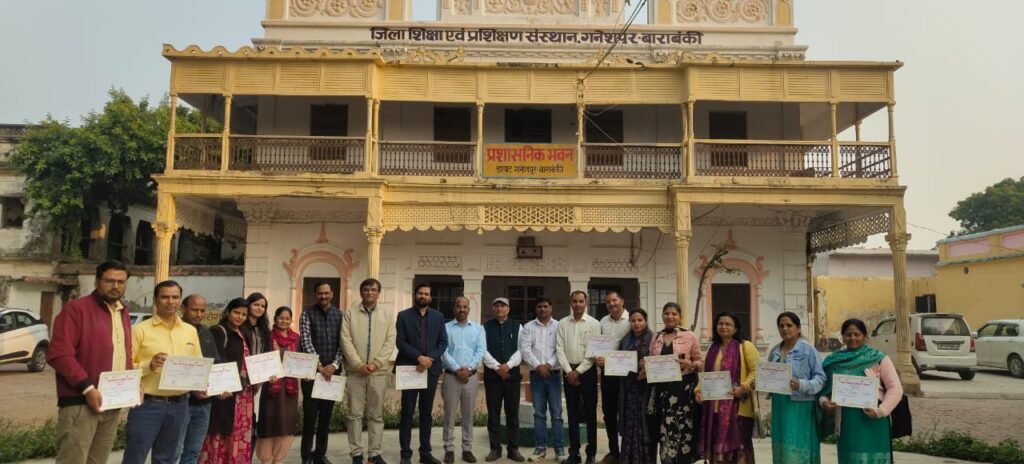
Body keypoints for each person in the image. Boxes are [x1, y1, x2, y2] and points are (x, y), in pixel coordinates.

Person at [48, 260, 133, 464]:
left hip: (111, 402)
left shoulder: (122, 312)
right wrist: (87, 388)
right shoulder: (76, 309)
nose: (115, 286)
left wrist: (132, 384)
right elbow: (59, 354)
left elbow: (123, 354)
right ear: (97, 281)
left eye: (121, 282)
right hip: (81, 401)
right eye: (109, 281)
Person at [124, 280, 202, 464]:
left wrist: (203, 383)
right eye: (165, 297)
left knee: (166, 459)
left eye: (175, 297)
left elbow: (198, 364)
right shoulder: (139, 330)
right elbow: (124, 369)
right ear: (155, 300)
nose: (170, 301)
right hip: (147, 405)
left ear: (180, 300)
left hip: (180, 405)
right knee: (135, 457)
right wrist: (149, 365)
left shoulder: (190, 331)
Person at [819, 318, 904, 464]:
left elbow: (895, 388)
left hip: (874, 419)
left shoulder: (878, 358)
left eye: (857, 334)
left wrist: (880, 411)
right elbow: (824, 390)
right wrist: (824, 402)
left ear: (864, 336)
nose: (852, 338)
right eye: (848, 334)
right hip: (847, 422)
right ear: (843, 337)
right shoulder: (834, 361)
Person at [342, 278, 397, 464]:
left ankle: (374, 453)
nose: (369, 292)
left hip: (378, 373)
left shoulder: (387, 315)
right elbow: (345, 340)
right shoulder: (350, 314)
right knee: (354, 414)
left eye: (373, 290)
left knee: (376, 415)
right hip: (355, 372)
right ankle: (356, 453)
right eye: (366, 289)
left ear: (378, 293)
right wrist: (358, 364)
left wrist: (376, 364)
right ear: (361, 292)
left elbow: (390, 342)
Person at [696, 312, 760, 464]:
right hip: (714, 408)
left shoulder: (745, 346)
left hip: (739, 409)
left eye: (728, 324)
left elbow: (757, 370)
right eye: (720, 323)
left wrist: (743, 387)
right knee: (718, 451)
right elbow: (706, 375)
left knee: (739, 450)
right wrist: (698, 391)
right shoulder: (712, 348)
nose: (724, 326)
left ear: (735, 328)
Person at [396, 283, 449, 464]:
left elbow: (443, 342)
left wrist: (428, 359)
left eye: (426, 294)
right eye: (420, 293)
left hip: (430, 370)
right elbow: (400, 342)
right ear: (415, 295)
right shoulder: (403, 316)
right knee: (407, 413)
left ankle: (425, 453)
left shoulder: (438, 317)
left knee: (426, 413)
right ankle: (405, 453)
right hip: (409, 370)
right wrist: (419, 357)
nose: (423, 296)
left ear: (430, 297)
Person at [767, 311, 826, 464]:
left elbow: (821, 378)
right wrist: (761, 382)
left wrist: (801, 384)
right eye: (781, 326)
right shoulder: (774, 351)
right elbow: (769, 375)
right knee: (781, 447)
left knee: (800, 447)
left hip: (800, 407)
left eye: (789, 325)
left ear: (798, 328)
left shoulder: (808, 350)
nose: (785, 329)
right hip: (780, 406)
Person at [202, 298, 256, 463]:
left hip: (244, 394)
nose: (240, 317)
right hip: (226, 393)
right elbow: (218, 360)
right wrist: (225, 384)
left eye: (243, 314)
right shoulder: (218, 331)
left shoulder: (244, 332)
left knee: (240, 435)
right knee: (221, 434)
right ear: (228, 311)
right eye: (236, 312)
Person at [648, 302, 702, 464]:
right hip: (662, 391)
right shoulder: (656, 337)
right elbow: (651, 359)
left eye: (674, 314)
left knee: (684, 427)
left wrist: (690, 365)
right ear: (662, 316)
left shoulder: (689, 336)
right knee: (664, 428)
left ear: (680, 317)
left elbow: (700, 361)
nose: (670, 317)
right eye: (667, 313)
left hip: (683, 391)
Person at [299, 282, 344, 464]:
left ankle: (320, 454)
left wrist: (334, 364)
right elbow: (306, 340)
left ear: (332, 294)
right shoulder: (307, 313)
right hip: (311, 373)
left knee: (326, 416)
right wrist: (318, 366)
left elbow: (343, 342)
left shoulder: (340, 315)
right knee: (310, 416)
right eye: (320, 293)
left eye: (326, 293)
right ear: (315, 294)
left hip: (333, 374)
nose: (323, 296)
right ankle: (306, 456)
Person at [519, 296, 566, 463]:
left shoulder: (559, 326)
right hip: (536, 375)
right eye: (539, 306)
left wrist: (548, 365)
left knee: (557, 414)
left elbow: (561, 349)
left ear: (551, 308)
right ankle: (540, 448)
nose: (542, 309)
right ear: (536, 309)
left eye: (545, 306)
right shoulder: (528, 327)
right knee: (539, 414)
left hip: (554, 375)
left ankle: (559, 449)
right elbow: (525, 350)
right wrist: (538, 366)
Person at [441, 296, 487, 464]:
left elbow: (480, 350)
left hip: (471, 377)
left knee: (468, 414)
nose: (462, 309)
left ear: (469, 309)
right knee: (449, 414)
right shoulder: (445, 328)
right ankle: (449, 449)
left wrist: (468, 369)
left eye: (465, 307)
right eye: (458, 306)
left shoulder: (478, 329)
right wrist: (457, 369)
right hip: (451, 377)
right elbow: (443, 351)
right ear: (454, 309)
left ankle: (467, 449)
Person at [556, 291, 600, 464]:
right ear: (570, 303)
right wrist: (569, 372)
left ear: (586, 303)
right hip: (568, 371)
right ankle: (574, 453)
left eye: (581, 301)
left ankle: (591, 452)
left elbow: (593, 352)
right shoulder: (562, 323)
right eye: (575, 301)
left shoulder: (594, 324)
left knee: (590, 413)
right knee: (572, 413)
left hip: (587, 372)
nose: (578, 304)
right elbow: (559, 349)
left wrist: (578, 372)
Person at [177, 294, 222, 464]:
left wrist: (220, 385)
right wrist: (191, 389)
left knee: (193, 451)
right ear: (183, 308)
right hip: (181, 402)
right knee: (175, 451)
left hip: (204, 403)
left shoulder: (207, 332)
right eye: (194, 310)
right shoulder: (176, 331)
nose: (199, 314)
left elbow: (215, 364)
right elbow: (175, 367)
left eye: (202, 310)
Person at [481, 297, 526, 463]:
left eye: (503, 306)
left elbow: (521, 349)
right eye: (496, 306)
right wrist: (497, 367)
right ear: (493, 309)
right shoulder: (485, 327)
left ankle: (513, 449)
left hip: (511, 377)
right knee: (493, 414)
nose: (499, 308)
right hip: (493, 378)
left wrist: (508, 366)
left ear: (508, 309)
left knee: (512, 414)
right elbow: (482, 350)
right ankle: (495, 449)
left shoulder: (517, 327)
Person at [256, 306, 301, 464]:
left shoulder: (296, 338)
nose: (284, 321)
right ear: (275, 319)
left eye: (287, 319)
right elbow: (261, 359)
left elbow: (301, 360)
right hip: (271, 387)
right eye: (281, 318)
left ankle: (279, 459)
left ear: (291, 320)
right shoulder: (267, 337)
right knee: (269, 423)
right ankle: (266, 459)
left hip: (290, 390)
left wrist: (305, 372)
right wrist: (265, 374)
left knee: (285, 424)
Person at [616, 309, 655, 464]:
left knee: (645, 425)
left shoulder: (653, 339)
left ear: (646, 321)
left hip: (646, 390)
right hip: (628, 389)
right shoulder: (625, 340)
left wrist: (647, 368)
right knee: (629, 424)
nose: (636, 323)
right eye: (633, 321)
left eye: (640, 320)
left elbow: (660, 362)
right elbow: (618, 362)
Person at [597, 292, 630, 464]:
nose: (612, 303)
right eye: (608, 301)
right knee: (609, 413)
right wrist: (598, 358)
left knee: (626, 412)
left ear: (622, 301)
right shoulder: (602, 322)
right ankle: (614, 452)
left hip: (627, 375)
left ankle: (627, 452)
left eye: (614, 300)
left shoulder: (632, 320)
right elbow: (597, 345)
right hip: (608, 374)